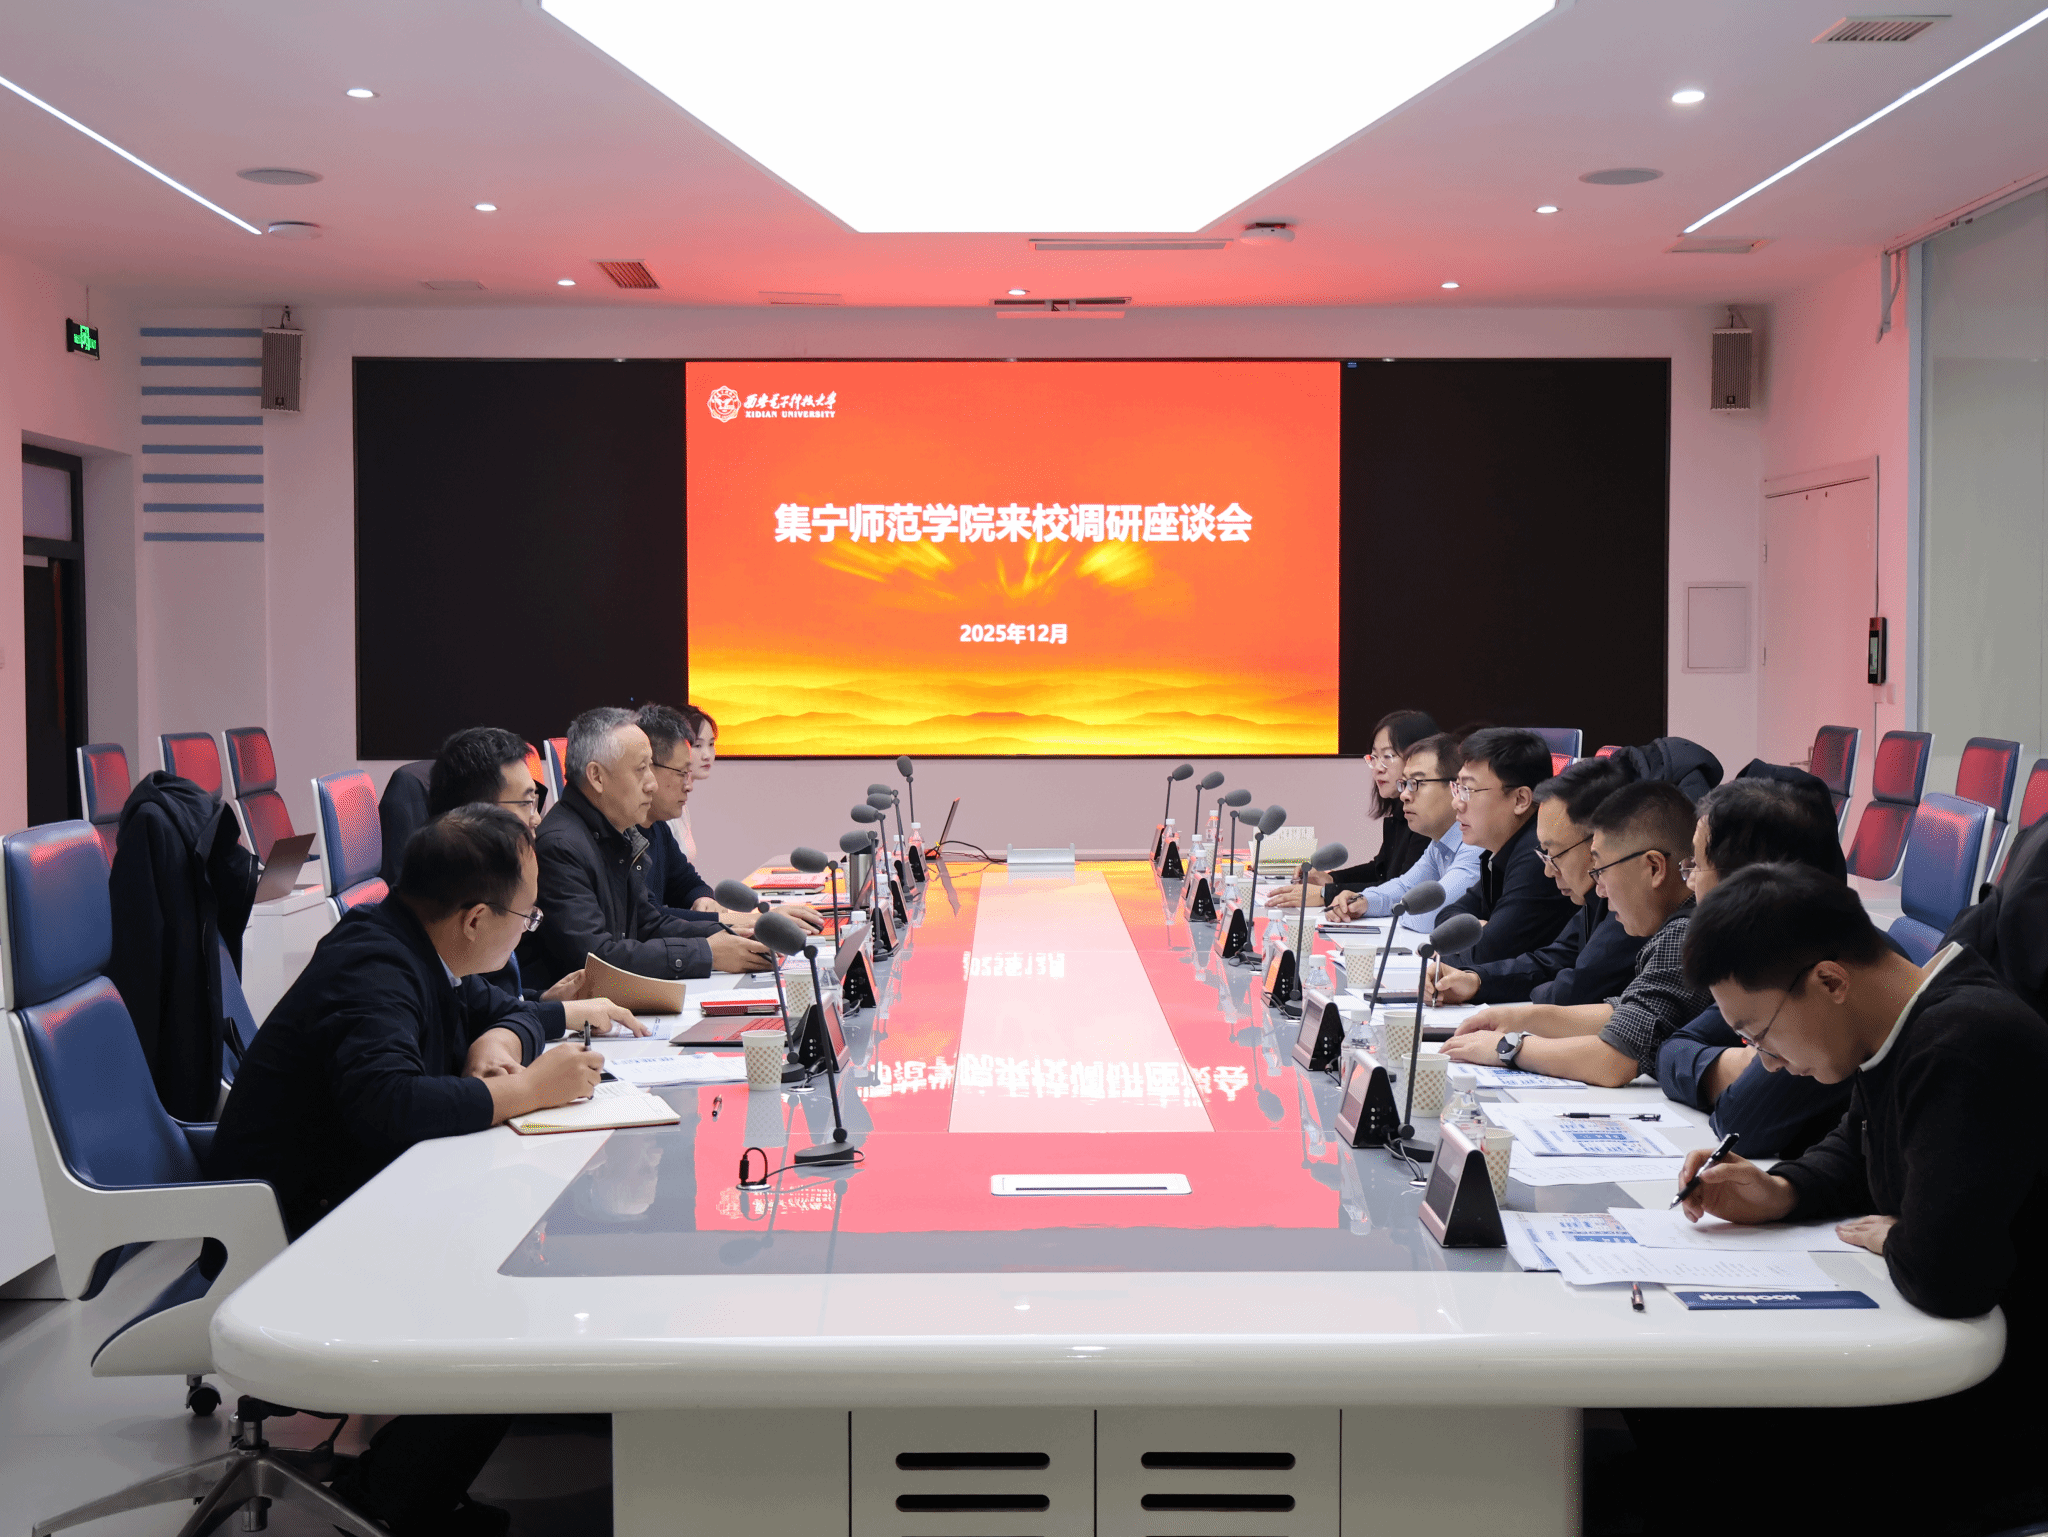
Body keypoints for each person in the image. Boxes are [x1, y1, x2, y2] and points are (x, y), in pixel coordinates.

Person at [209, 807, 631, 1535]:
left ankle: (415, 1483)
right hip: (292, 1232)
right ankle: (392, 1501)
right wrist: (529, 1090)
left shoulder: (415, 941)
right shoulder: (374, 964)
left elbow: (499, 1007)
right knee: (508, 1301)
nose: (528, 930)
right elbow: (391, 1105)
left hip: (353, 1200)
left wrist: (502, 1039)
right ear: (475, 919)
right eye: (526, 918)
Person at [1629, 863, 2048, 1535]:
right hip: (1951, 1384)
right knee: (1670, 1411)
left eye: (1762, 1033)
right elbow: (1858, 1146)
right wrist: (1781, 1190)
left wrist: (1898, 1236)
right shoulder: (1900, 1028)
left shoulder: (1966, 1042)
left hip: (1998, 1424)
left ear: (1829, 980)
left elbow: (1949, 1274)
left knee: (1693, 1424)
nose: (1765, 1062)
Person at [1444, 780, 1706, 1086]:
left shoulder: (1685, 933)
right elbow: (1622, 1011)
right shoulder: (1672, 923)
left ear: (1654, 868)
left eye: (1602, 869)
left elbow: (1614, 1060)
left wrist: (1508, 1047)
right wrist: (1518, 1019)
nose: (1600, 889)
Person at [1654, 778, 1858, 1156]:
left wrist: (1751, 1068)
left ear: (1746, 880)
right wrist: (1737, 1063)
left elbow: (1740, 1124)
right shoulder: (1760, 955)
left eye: (1697, 865)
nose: (1690, 881)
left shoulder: (1814, 975)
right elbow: (1671, 1050)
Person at [522, 706, 769, 989]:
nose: (652, 784)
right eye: (641, 770)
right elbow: (596, 959)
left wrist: (731, 932)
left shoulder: (615, 831)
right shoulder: (561, 846)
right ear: (597, 777)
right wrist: (707, 953)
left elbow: (648, 924)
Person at [1427, 756, 1643, 1007]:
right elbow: (1552, 961)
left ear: (1598, 844)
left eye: (1555, 854)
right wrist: (1475, 981)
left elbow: (1573, 989)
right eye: (1545, 855)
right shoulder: (1592, 898)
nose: (1549, 871)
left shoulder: (1629, 903)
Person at [1267, 709, 1437, 910]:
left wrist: (1326, 894)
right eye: (1374, 757)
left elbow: (1400, 889)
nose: (1378, 768)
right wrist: (1331, 880)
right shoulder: (1401, 814)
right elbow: (1380, 870)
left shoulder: (1428, 821)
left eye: (1388, 756)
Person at [1435, 727, 1577, 963]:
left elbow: (1485, 954)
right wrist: (1473, 933)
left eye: (1468, 790)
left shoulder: (1538, 856)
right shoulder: (1501, 850)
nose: (1456, 803)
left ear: (1520, 799)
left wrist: (1465, 938)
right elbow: (1446, 915)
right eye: (1457, 788)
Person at [1324, 733, 1481, 926]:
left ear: (1455, 787)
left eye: (1416, 783)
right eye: (1404, 784)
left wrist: (1396, 909)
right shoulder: (1439, 844)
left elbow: (1431, 915)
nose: (1404, 795)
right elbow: (1405, 887)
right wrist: (1363, 902)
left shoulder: (1477, 845)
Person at [675, 704, 718, 861]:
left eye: (711, 744)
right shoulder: (664, 808)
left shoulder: (682, 805)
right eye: (698, 746)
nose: (707, 755)